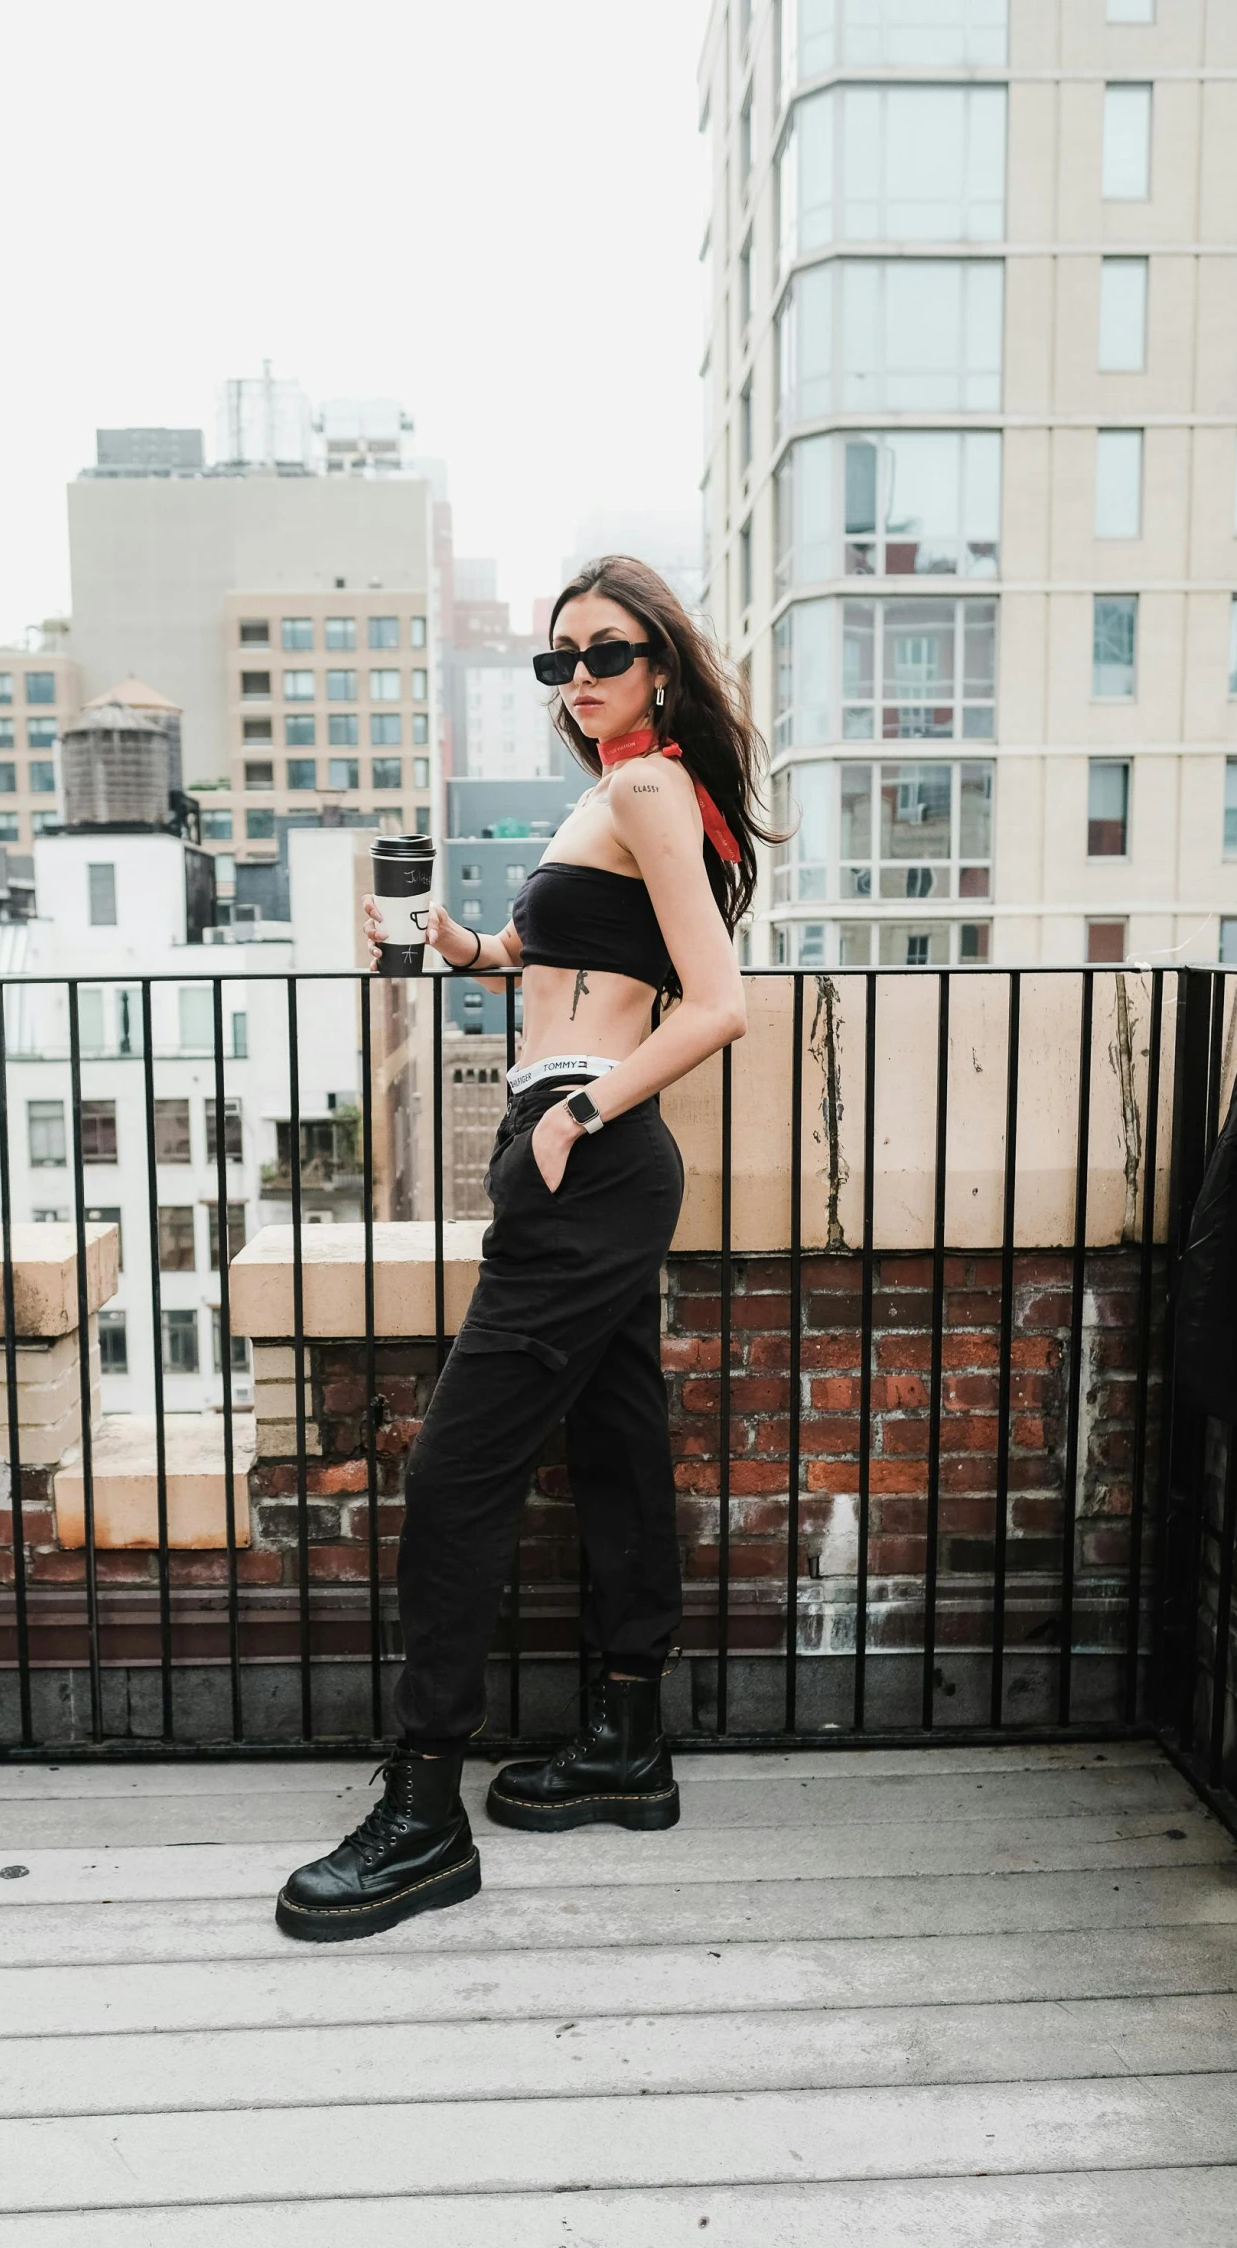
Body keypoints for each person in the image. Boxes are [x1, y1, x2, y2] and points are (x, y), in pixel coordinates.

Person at [276, 554, 772, 1941]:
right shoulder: (618, 792)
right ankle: (625, 1743)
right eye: (554, 662)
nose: (575, 680)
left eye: (601, 653)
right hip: (583, 1151)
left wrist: (580, 1113)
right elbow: (577, 958)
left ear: (659, 664)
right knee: (617, 1442)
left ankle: (422, 1809)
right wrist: (469, 947)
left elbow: (716, 1003)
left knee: (454, 1468)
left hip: (586, 1156)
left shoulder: (646, 786)